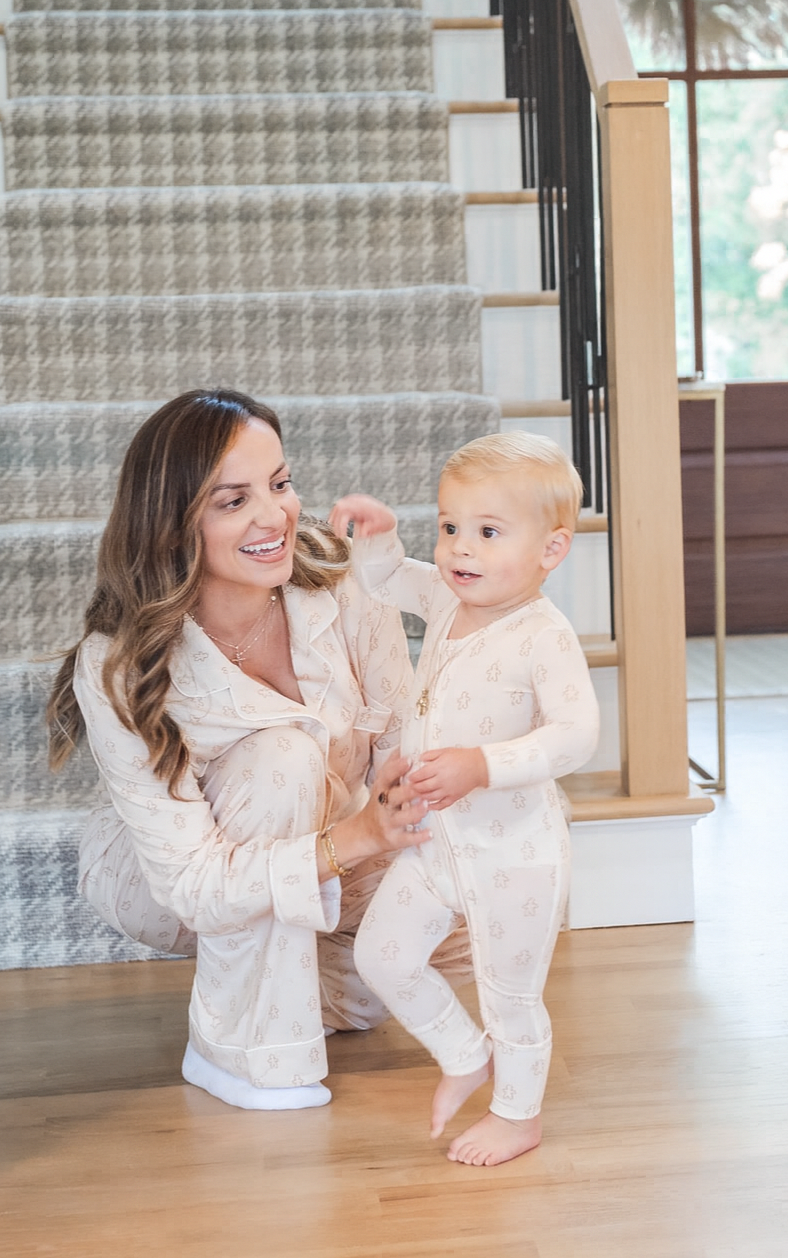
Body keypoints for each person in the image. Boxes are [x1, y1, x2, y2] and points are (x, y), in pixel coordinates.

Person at [47, 388, 470, 1112]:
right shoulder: (115, 663)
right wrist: (358, 837)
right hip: (175, 880)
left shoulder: (340, 580)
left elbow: (403, 733)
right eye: (232, 500)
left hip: (334, 835)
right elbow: (194, 882)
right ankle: (240, 1056)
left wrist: (419, 803)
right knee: (283, 759)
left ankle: (279, 985)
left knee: (471, 906)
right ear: (173, 523)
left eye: (280, 484)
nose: (274, 516)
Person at [330, 432, 599, 1166]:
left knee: (509, 994)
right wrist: (379, 540)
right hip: (438, 844)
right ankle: (462, 1054)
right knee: (383, 958)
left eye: (486, 532)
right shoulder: (450, 600)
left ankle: (519, 1115)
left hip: (516, 856)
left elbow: (578, 736)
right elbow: (390, 580)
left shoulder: (542, 635)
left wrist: (485, 763)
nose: (459, 550)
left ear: (550, 551)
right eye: (450, 527)